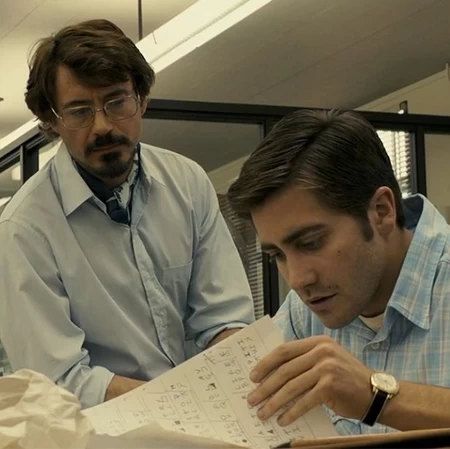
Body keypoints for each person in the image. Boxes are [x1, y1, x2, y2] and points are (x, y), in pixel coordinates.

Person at [0, 19, 254, 409]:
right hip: (103, 430)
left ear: (142, 98)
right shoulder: (24, 229)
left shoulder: (187, 183)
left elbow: (225, 320)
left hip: (206, 417)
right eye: (80, 112)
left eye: (117, 102)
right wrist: (182, 404)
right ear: (52, 121)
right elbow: (58, 382)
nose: (102, 126)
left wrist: (230, 386)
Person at [227, 109, 450, 435]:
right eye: (278, 255)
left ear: (381, 211)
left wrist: (375, 398)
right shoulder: (301, 315)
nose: (298, 280)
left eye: (311, 243)